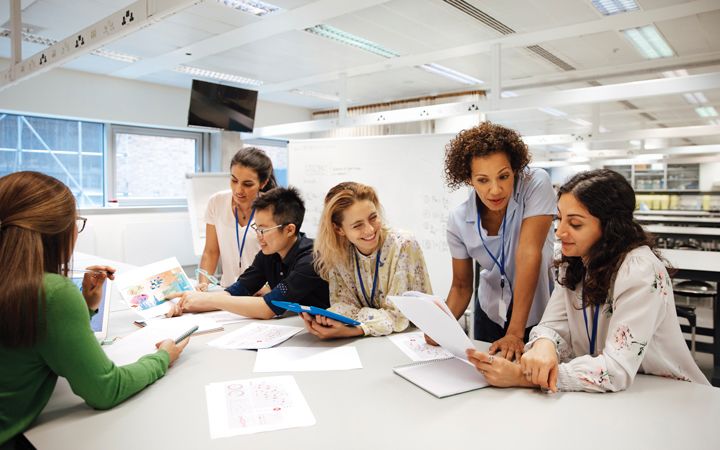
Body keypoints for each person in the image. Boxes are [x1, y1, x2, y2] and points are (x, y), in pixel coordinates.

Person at [466, 169, 710, 392]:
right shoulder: (576, 261)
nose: (560, 232)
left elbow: (615, 370)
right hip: (606, 396)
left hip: (667, 395)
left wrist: (522, 375)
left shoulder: (639, 271)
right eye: (559, 219)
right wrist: (543, 345)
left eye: (575, 223)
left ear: (610, 227)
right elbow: (552, 325)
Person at [0, 171, 189, 449]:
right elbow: (105, 389)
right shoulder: (52, 293)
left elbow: (29, 340)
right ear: (56, 231)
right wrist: (162, 358)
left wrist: (87, 306)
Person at [440, 122, 556, 361]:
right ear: (469, 179)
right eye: (483, 180)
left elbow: (528, 253)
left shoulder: (535, 184)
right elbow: (461, 287)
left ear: (515, 169)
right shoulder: (459, 219)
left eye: (503, 176)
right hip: (490, 311)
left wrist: (515, 332)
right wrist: (440, 328)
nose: (495, 190)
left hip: (536, 310)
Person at [167, 187, 329, 319]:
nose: (259, 236)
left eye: (264, 230)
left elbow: (268, 307)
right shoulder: (269, 253)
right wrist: (190, 302)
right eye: (256, 228)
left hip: (330, 336)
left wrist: (208, 299)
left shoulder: (311, 259)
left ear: (289, 229)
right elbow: (237, 290)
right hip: (298, 326)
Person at [302, 182, 433, 339]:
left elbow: (398, 315)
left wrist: (354, 329)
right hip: (367, 341)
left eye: (373, 218)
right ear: (339, 229)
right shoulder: (338, 253)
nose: (370, 230)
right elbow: (344, 305)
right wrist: (327, 318)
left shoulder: (403, 244)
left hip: (410, 339)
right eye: (358, 225)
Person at [197, 147, 277, 290]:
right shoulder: (216, 202)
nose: (238, 190)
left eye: (247, 184)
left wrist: (268, 288)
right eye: (234, 180)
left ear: (263, 183)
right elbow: (211, 252)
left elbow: (279, 258)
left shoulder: (273, 209)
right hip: (227, 290)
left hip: (260, 292)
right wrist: (203, 283)